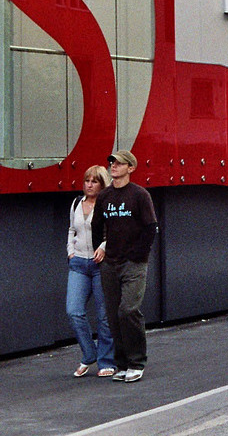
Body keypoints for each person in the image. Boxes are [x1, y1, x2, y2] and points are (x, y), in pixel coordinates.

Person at [92, 150, 158, 383]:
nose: (113, 166)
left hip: (134, 264)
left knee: (128, 310)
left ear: (131, 168)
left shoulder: (140, 195)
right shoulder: (104, 196)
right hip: (110, 264)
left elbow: (151, 227)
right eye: (111, 162)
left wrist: (138, 255)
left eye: (119, 163)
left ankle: (137, 362)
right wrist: (100, 249)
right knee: (113, 315)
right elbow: (97, 225)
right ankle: (122, 364)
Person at [66, 165, 116, 378]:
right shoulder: (77, 203)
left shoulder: (107, 205)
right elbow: (72, 229)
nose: (89, 185)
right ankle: (89, 354)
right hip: (78, 263)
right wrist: (70, 251)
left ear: (102, 184)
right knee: (74, 310)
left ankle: (107, 360)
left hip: (99, 265)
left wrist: (104, 247)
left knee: (104, 316)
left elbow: (115, 231)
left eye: (94, 181)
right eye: (87, 180)